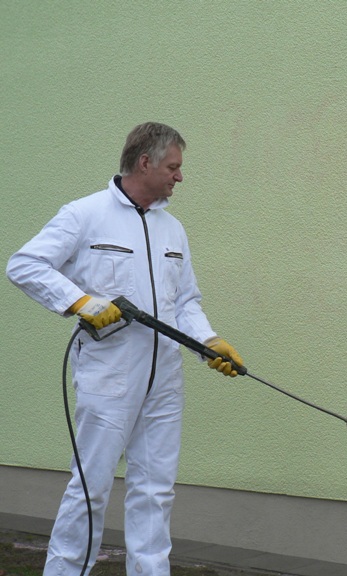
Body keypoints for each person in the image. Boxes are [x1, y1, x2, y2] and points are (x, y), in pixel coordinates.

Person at [6, 122, 244, 576]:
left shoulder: (172, 229)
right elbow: (25, 264)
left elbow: (186, 301)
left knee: (155, 490)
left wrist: (208, 343)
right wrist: (81, 302)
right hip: (109, 375)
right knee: (91, 487)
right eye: (174, 167)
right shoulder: (85, 215)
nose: (180, 177)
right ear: (145, 162)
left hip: (165, 379)